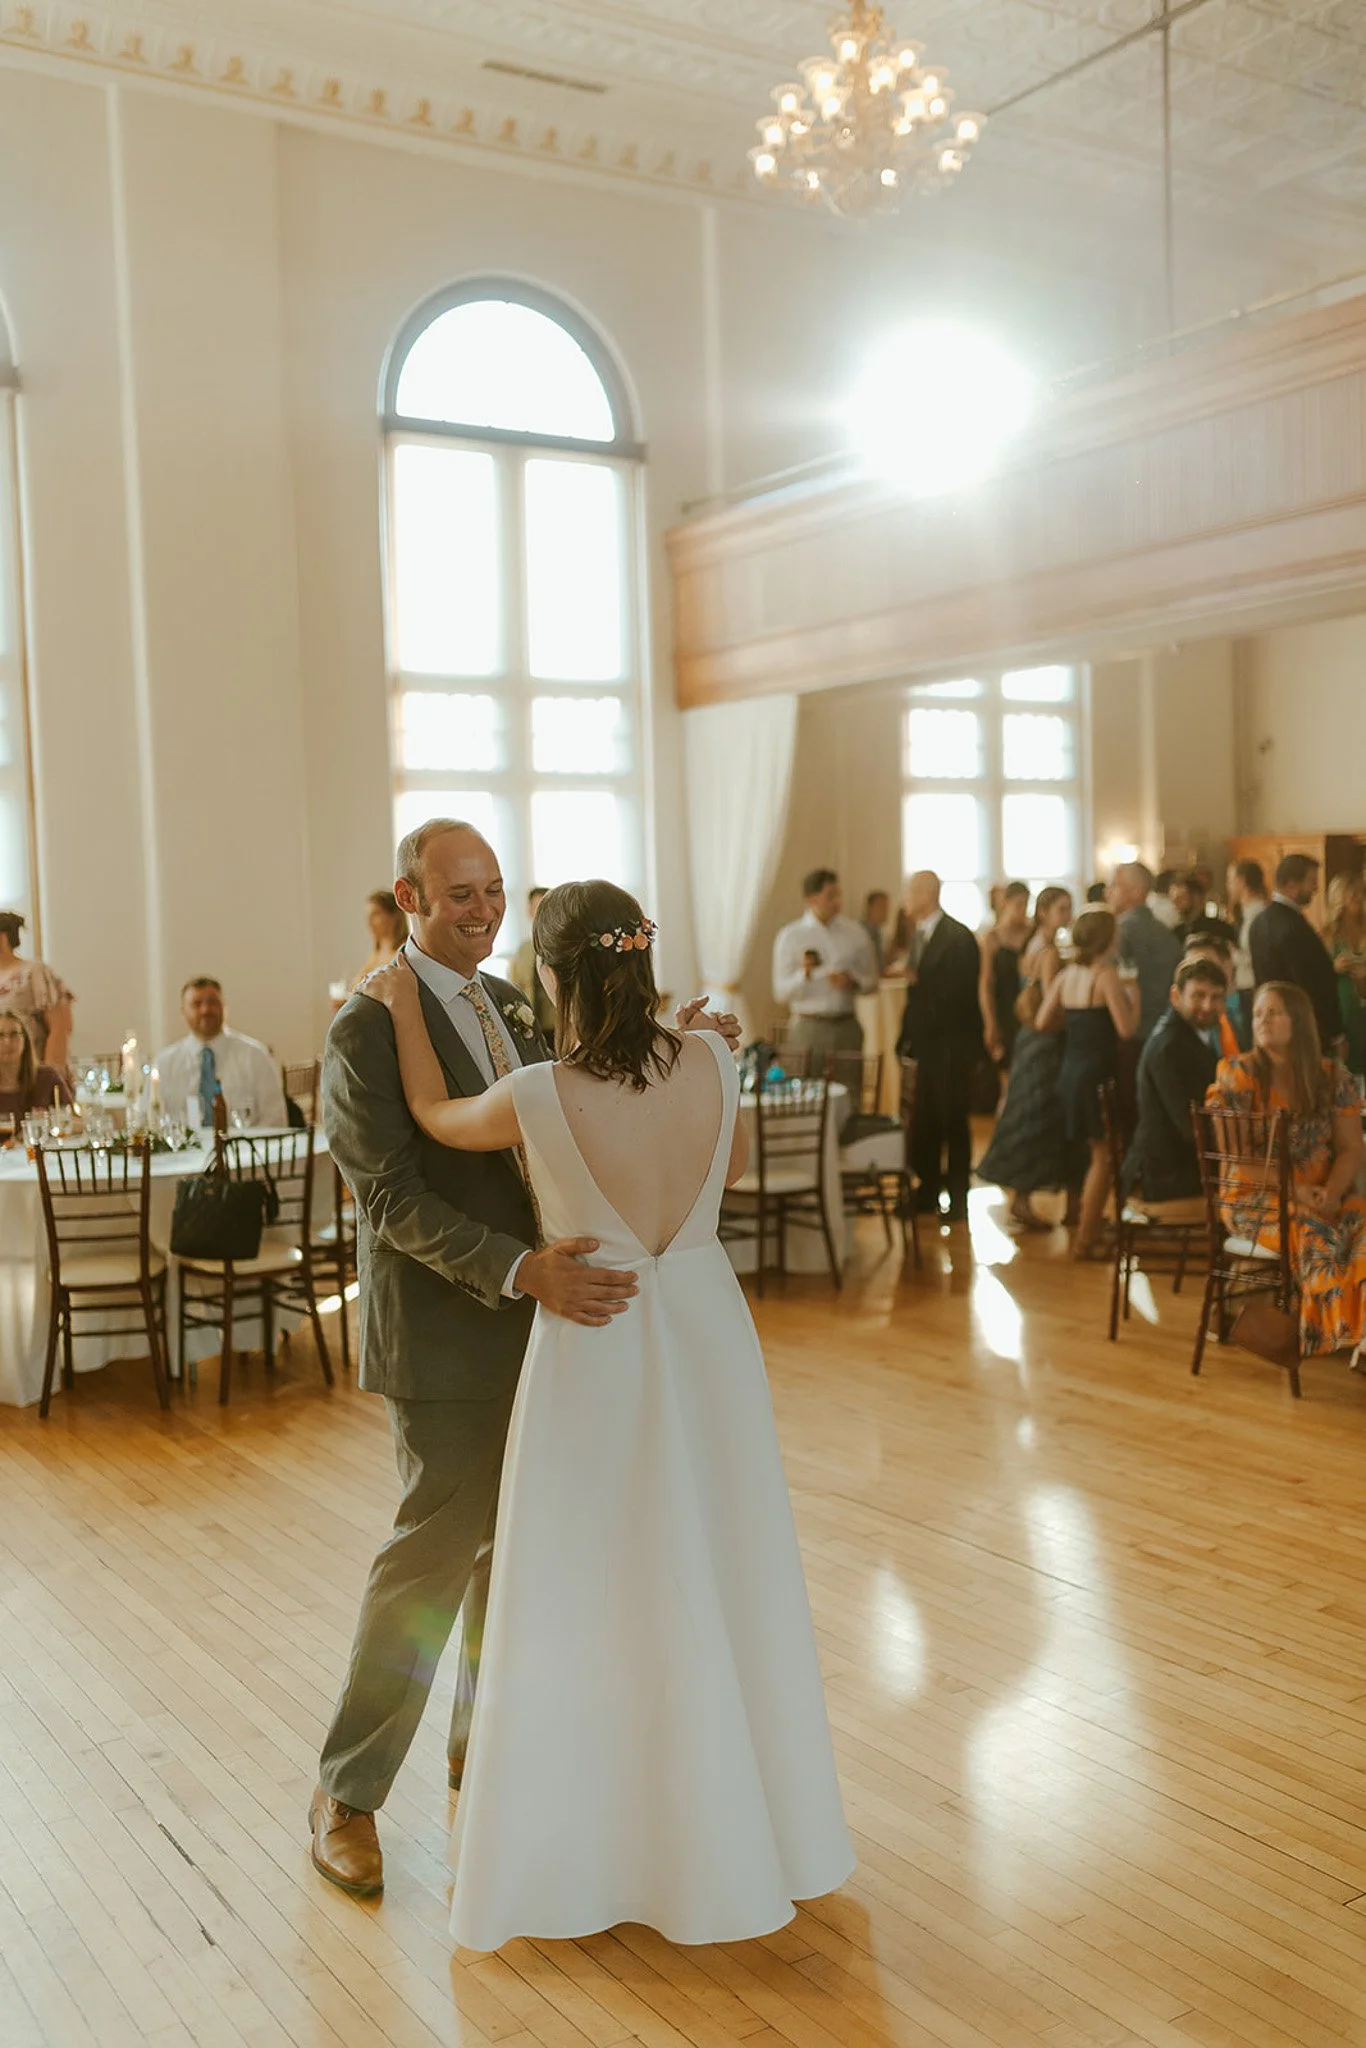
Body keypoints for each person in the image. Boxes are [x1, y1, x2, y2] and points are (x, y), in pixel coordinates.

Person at [357, 877, 852, 1946]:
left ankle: (606, 1840)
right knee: (720, 1564)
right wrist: (684, 1032)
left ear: (556, 975)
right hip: (707, 1327)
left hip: (599, 1332)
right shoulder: (716, 1055)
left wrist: (403, 1006)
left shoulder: (538, 1091)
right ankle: (739, 1824)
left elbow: (436, 1117)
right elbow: (735, 1163)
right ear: (640, 959)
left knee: (588, 1584)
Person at [310, 820, 740, 1901]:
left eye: (495, 890)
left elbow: (581, 1088)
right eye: (460, 894)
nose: (484, 910)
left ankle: (481, 1759)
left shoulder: (514, 1003)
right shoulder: (368, 1021)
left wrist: (667, 1035)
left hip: (560, 1334)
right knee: (430, 1562)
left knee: (522, 1561)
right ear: (408, 893)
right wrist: (515, 1269)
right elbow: (391, 1196)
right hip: (456, 1333)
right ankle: (348, 1792)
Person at [1207, 982, 1366, 1361]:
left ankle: (1359, 1339)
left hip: (1322, 1194)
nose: (1262, 1019)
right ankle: (1334, 1335)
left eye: (1274, 1012)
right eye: (1259, 1012)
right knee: (1319, 1237)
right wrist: (1298, 1192)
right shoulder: (1238, 1074)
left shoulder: (1331, 1076)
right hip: (1253, 1199)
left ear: (1299, 1021)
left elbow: (1350, 1148)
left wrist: (1330, 1191)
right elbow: (1240, 1160)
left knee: (1360, 1229)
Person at [1037, 908, 1139, 1258]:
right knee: (1105, 1156)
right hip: (1098, 1074)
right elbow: (1126, 1030)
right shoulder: (1106, 975)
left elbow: (1041, 1020)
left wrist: (1076, 1026)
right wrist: (1135, 1000)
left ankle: (1086, 1222)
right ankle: (1086, 1238)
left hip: (1071, 1070)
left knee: (1091, 1150)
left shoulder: (1068, 976)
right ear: (1107, 939)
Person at [977, 886, 1073, 1229]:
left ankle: (1021, 1197)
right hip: (1041, 1041)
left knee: (1026, 1111)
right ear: (1044, 911)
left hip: (1029, 1038)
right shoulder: (1046, 951)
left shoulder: (1035, 944)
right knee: (1033, 1114)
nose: (1067, 914)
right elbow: (1050, 1002)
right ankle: (1021, 1198)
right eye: (1062, 908)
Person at [896, 870, 981, 1223]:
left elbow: (959, 994)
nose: (906, 898)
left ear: (927, 893)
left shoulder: (956, 937)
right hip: (928, 1045)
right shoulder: (920, 935)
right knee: (926, 1120)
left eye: (911, 891)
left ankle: (958, 1199)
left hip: (951, 1044)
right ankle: (927, 1193)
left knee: (952, 1120)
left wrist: (920, 982)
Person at [1122, 958, 1227, 1215]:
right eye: (1199, 995)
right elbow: (1191, 1128)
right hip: (1166, 1173)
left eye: (1216, 997)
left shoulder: (1190, 1035)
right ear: (1175, 996)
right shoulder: (1170, 1047)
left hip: (1179, 1162)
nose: (1207, 1005)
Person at [772, 868, 878, 1063]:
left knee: (849, 1089)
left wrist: (852, 981)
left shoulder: (856, 933)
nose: (837, 902)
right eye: (830, 896)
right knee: (806, 1090)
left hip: (847, 1025)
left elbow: (872, 982)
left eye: (838, 894)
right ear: (811, 899)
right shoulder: (791, 936)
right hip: (809, 1026)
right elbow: (780, 993)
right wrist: (805, 974)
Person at [153, 978, 289, 1129]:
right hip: (185, 1151)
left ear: (224, 1007)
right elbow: (150, 1120)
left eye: (212, 1002)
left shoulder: (255, 1057)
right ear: (183, 1012)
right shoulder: (164, 1064)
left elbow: (275, 1119)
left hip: (245, 1149)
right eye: (196, 1004)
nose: (205, 1010)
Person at [1249, 853, 1344, 1057]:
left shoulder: (1259, 922)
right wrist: (1333, 1034)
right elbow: (1312, 984)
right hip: (1302, 1031)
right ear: (1292, 884)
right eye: (1311, 882)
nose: (1316, 889)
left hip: (1270, 1027)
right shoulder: (1294, 928)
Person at [1108, 862, 1181, 1042]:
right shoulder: (1166, 933)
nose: (1108, 892)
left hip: (1128, 1031)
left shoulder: (1116, 933)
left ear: (1137, 891)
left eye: (1115, 886)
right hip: (1164, 1030)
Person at [0, 911, 74, 1071]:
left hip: (30, 1071)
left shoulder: (34, 972)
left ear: (3, 938)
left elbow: (60, 1026)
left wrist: (49, 1075)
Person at [979, 881, 1031, 1072]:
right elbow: (986, 984)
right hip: (1004, 1008)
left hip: (1027, 1008)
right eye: (1018, 904)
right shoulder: (992, 938)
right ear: (1006, 903)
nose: (1022, 910)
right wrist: (990, 1022)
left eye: (1026, 904)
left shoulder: (1030, 933)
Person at [1323, 871, 1366, 1077]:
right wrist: (1334, 968)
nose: (1359, 899)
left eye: (1361, 894)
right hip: (1341, 1010)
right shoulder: (1327, 935)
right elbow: (1314, 976)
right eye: (1353, 895)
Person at [0, 1007, 73, 1124]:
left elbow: (77, 1122)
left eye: (14, 1034)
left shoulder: (48, 1078)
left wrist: (50, 1121)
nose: (8, 1042)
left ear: (25, 1040)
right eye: (0, 1036)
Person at [1226, 858, 1269, 1046]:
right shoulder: (1247, 912)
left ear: (1241, 882)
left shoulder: (1257, 914)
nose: (1228, 886)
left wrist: (1230, 953)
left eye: (1230, 880)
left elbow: (1256, 956)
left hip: (1253, 987)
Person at [509, 885, 558, 1039]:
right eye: (537, 908)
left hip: (557, 1026)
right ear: (530, 910)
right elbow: (516, 985)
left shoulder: (563, 948)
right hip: (531, 1027)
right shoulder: (523, 950)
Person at [350, 889, 408, 991]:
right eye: (367, 916)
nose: (369, 922)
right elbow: (356, 985)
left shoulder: (405, 951)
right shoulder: (377, 951)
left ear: (394, 916)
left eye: (375, 915)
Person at [861, 889, 891, 972]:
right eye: (882, 906)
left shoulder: (879, 932)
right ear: (869, 908)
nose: (886, 911)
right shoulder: (860, 932)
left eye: (887, 907)